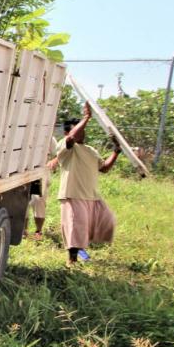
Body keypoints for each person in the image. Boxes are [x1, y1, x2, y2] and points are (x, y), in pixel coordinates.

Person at [55, 102, 121, 265]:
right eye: (77, 129)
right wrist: (86, 117)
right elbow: (71, 138)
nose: (81, 132)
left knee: (107, 221)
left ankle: (82, 250)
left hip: (91, 195)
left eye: (82, 129)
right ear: (66, 132)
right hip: (73, 194)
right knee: (76, 228)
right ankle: (72, 261)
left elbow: (104, 168)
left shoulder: (91, 150)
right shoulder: (66, 148)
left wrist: (116, 152)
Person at [27, 136, 59, 241]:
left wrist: (53, 161)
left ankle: (38, 231)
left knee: (38, 200)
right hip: (23, 171)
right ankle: (23, 231)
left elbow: (59, 154)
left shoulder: (48, 137)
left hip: (39, 172)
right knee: (22, 201)